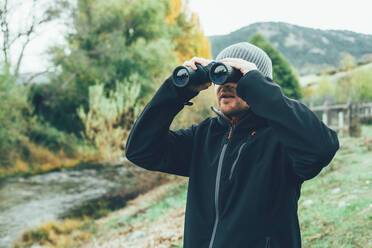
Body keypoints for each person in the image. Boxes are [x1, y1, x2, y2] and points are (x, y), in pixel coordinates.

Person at [125, 42, 339, 248]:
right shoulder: (204, 136)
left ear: (258, 85)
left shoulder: (281, 140)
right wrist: (176, 91)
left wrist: (257, 86)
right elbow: (141, 150)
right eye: (220, 75)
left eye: (236, 77)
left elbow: (322, 148)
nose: (225, 85)